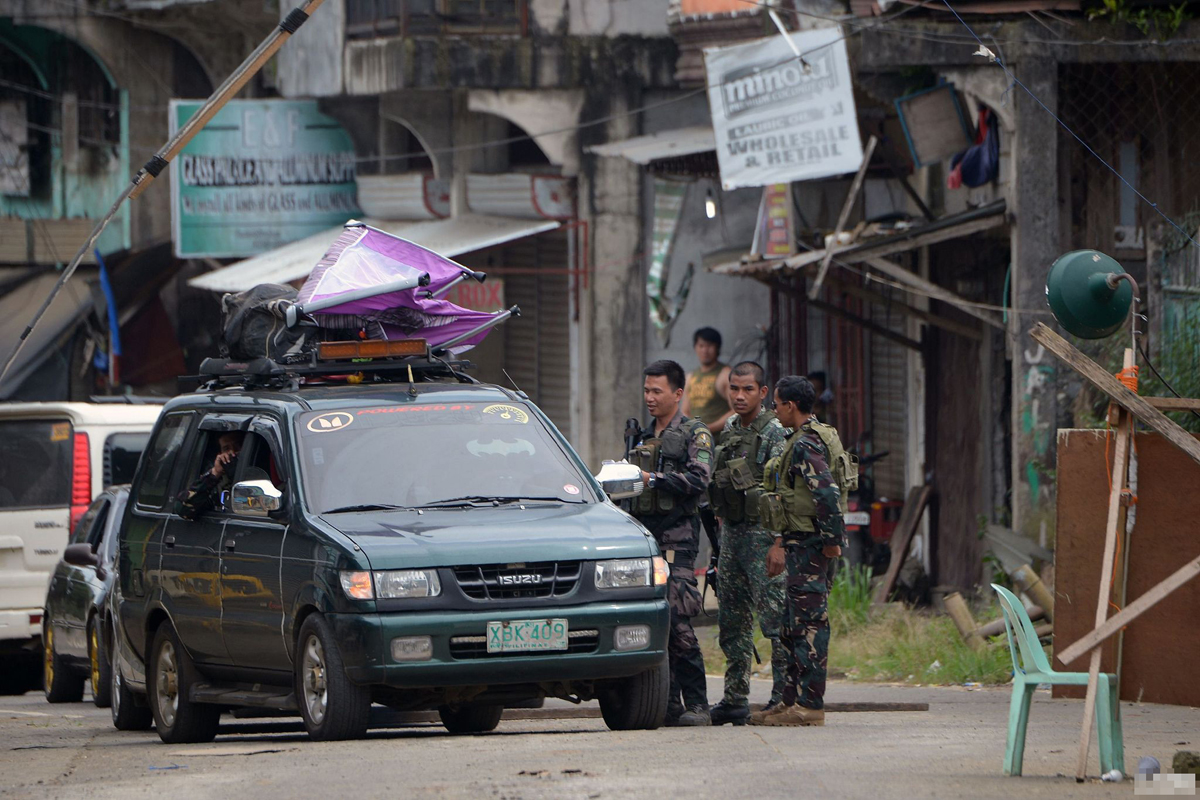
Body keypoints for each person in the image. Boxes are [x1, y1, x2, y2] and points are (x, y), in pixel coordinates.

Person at [749, 375, 850, 727]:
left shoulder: (806, 444)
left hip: (811, 545)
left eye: (776, 404)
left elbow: (826, 493)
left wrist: (831, 541)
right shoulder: (811, 436)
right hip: (801, 543)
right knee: (793, 624)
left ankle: (810, 705)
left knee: (809, 625)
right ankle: (789, 701)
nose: (774, 411)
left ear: (790, 406)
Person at [627, 359, 713, 726]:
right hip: (646, 539)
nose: (649, 397)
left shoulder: (696, 433)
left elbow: (700, 478)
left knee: (677, 618)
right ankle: (668, 705)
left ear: (677, 394)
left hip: (678, 537)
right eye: (646, 390)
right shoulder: (641, 435)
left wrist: (655, 479)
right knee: (652, 621)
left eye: (656, 391)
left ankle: (697, 704)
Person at [707, 361, 789, 726]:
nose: (739, 396)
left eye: (748, 390)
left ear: (763, 392)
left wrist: (780, 544)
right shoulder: (729, 428)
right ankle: (735, 698)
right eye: (734, 389)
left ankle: (783, 697)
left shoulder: (774, 432)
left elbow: (784, 493)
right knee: (733, 622)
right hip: (732, 537)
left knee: (775, 622)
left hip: (762, 538)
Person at [179, 431, 244, 520]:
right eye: (226, 449)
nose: (232, 452)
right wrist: (215, 473)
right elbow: (183, 510)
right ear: (220, 454)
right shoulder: (214, 483)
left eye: (237, 446)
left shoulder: (258, 472)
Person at [682, 327, 733, 434]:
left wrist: (709, 428)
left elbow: (735, 411)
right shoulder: (690, 377)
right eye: (701, 346)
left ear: (717, 348)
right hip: (695, 441)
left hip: (719, 442)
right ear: (695, 347)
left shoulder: (725, 374)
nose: (705, 350)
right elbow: (685, 411)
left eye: (709, 346)